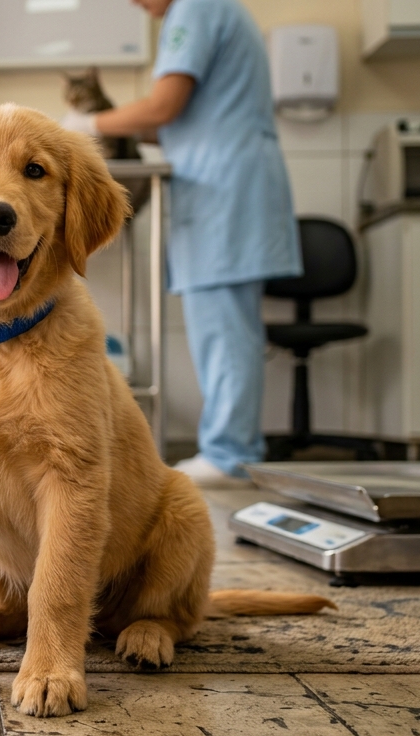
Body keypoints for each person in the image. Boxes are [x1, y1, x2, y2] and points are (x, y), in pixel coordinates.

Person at [61, 0, 300, 487]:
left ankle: (231, 454)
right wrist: (104, 123)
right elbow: (163, 121)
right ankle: (231, 448)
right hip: (218, 185)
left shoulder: (195, 7)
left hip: (224, 188)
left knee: (225, 327)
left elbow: (163, 106)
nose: (135, 5)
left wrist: (87, 126)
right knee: (219, 324)